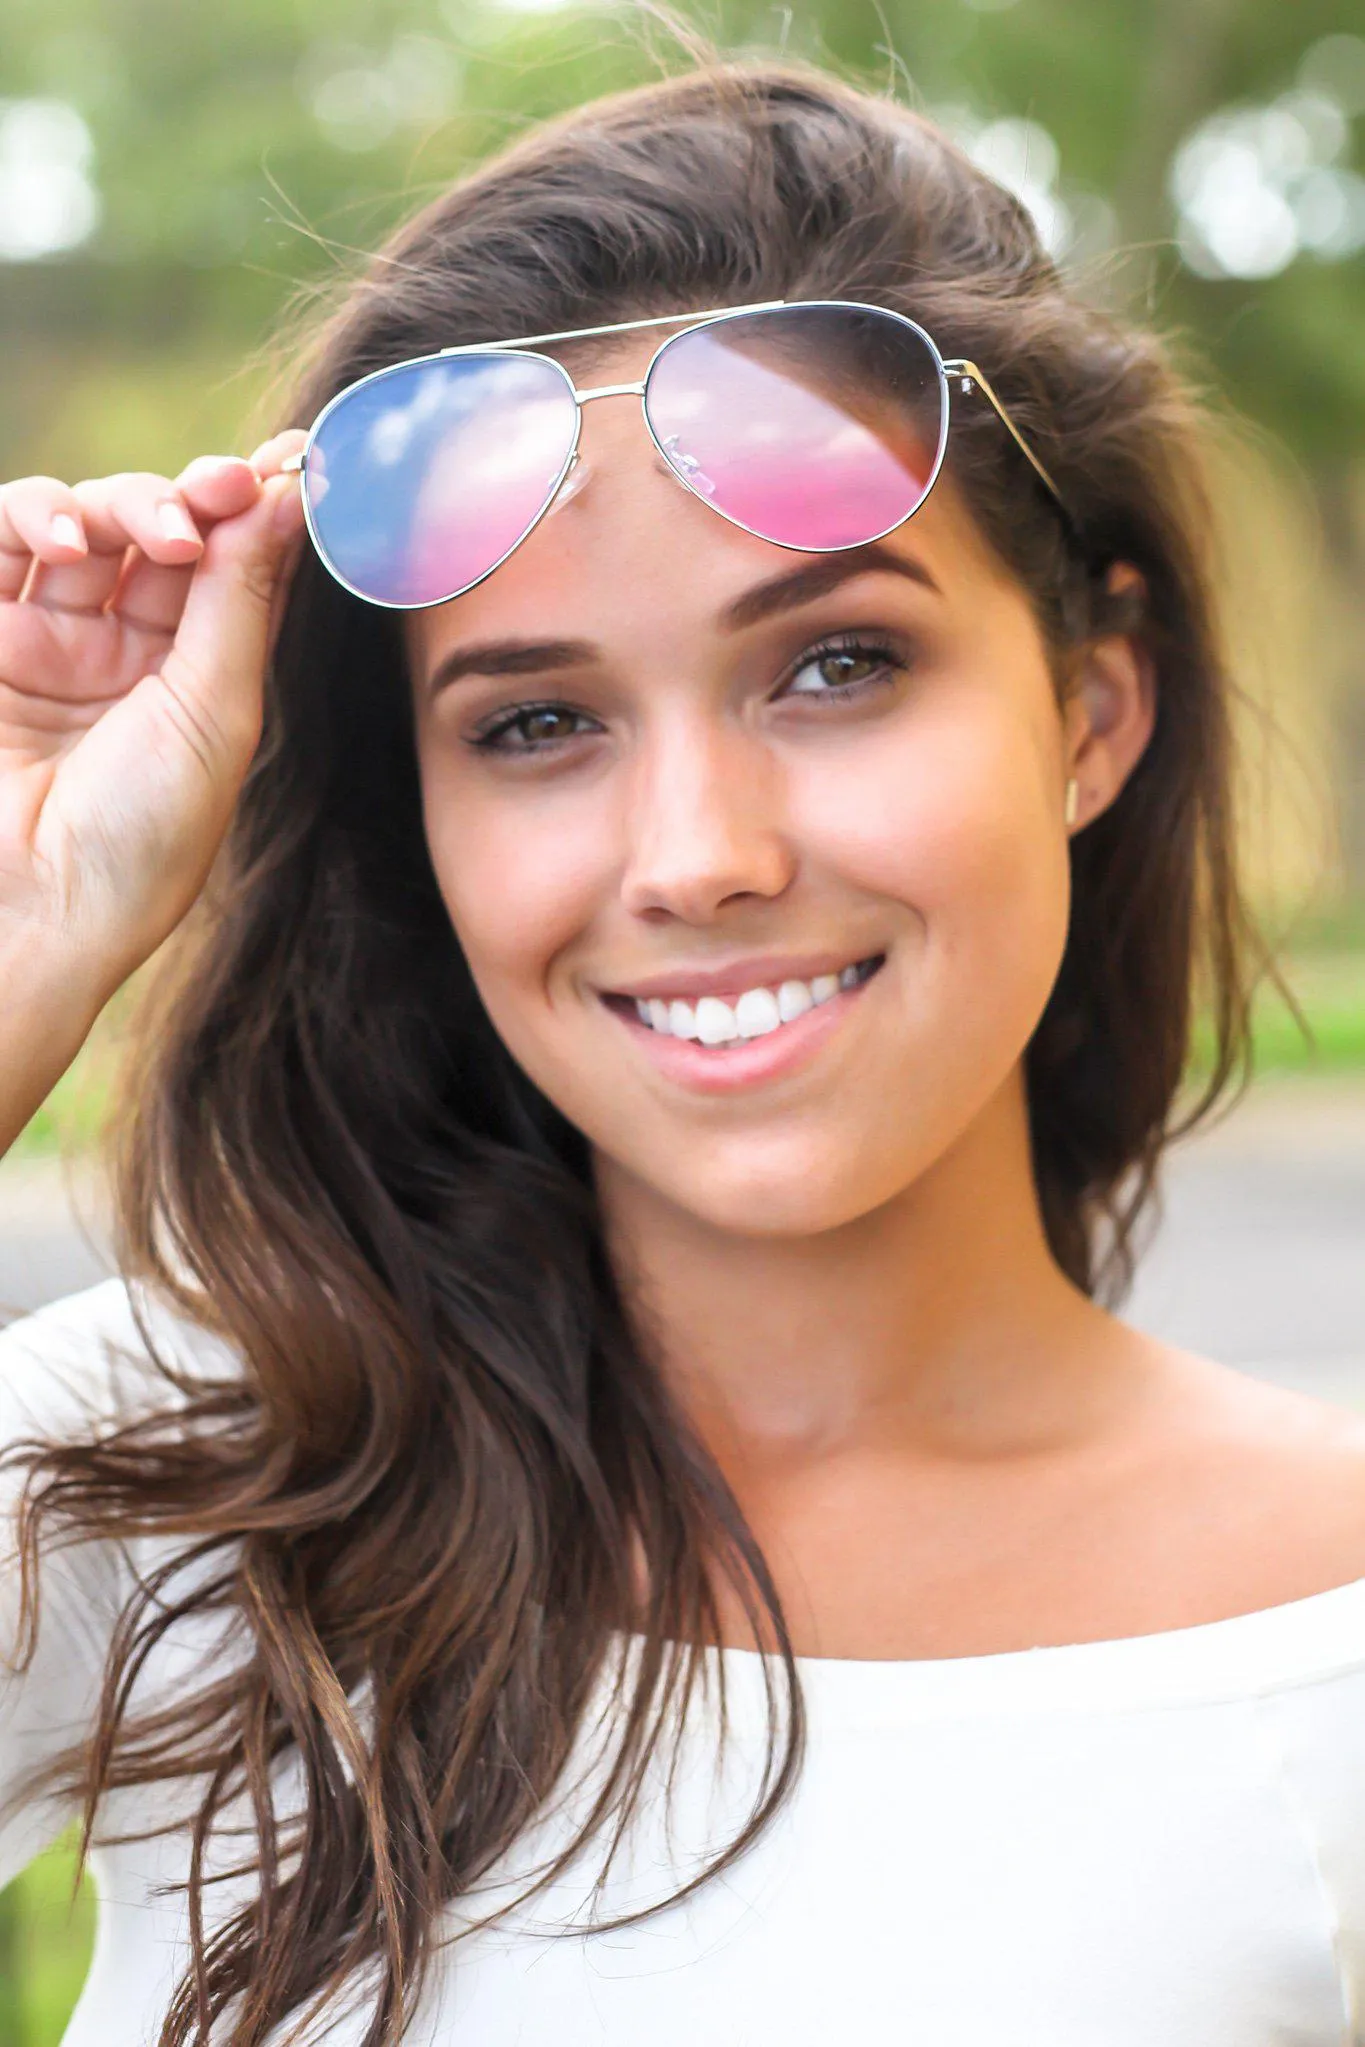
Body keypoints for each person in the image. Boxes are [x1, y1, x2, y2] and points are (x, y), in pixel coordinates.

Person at [2, 55, 1364, 2047]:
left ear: (1089, 708)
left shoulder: (1321, 1635)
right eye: (535, 724)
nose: (698, 859)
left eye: (834, 665)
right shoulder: (175, 1487)